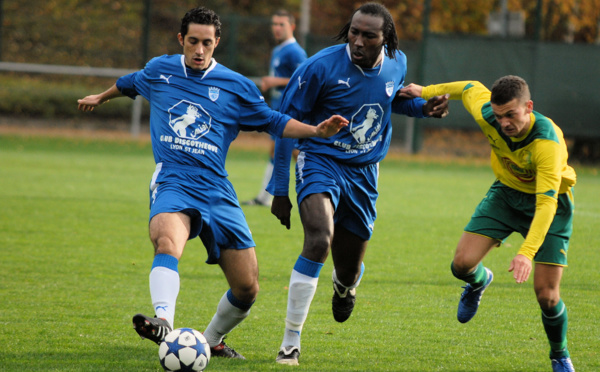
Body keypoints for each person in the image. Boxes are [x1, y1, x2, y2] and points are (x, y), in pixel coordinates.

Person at [77, 6, 347, 360]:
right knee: (166, 241)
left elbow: (273, 121)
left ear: (216, 42)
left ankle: (211, 340)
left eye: (207, 42)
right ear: (181, 40)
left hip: (217, 189)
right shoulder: (161, 70)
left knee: (247, 287)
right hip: (174, 178)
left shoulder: (236, 87)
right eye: (192, 42)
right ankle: (163, 321)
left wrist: (315, 131)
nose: (199, 50)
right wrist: (100, 96)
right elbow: (130, 82)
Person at [266, 2, 449, 365]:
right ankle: (290, 341)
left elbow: (388, 101)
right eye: (354, 32)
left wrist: (423, 109)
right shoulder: (319, 67)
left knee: (348, 268)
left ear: (387, 39)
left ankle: (344, 285)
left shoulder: (398, 62)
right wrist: (280, 189)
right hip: (320, 160)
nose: (358, 41)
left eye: (369, 35)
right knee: (319, 239)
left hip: (364, 171)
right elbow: (283, 124)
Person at [400, 76, 576, 372]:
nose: (504, 123)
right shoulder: (487, 113)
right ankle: (480, 282)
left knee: (547, 296)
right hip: (506, 195)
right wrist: (426, 92)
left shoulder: (547, 143)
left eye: (511, 115)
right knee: (461, 265)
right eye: (499, 116)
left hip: (549, 205)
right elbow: (469, 88)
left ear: (528, 107)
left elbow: (546, 204)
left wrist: (525, 253)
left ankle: (560, 354)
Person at [243, 9, 307, 207]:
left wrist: (274, 81)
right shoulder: (278, 50)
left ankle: (319, 188)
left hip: (291, 111)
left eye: (282, 24)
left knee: (293, 152)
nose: (277, 28)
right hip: (278, 109)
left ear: (292, 27)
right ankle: (264, 197)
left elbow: (304, 80)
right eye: (275, 24)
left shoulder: (295, 51)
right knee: (279, 151)